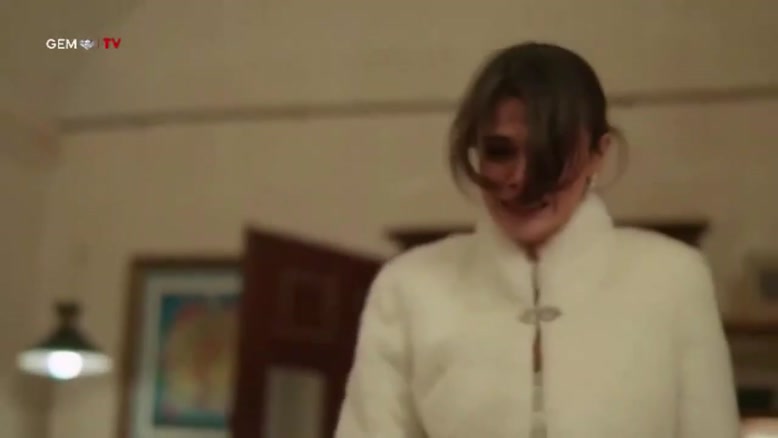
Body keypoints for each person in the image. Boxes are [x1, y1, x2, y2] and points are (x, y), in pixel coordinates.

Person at [335, 42, 739, 438]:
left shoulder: (672, 279)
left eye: (551, 150)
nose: (521, 178)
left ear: (599, 153)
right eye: (500, 151)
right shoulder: (410, 286)